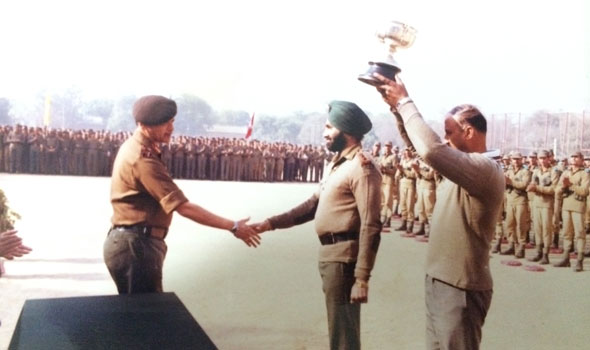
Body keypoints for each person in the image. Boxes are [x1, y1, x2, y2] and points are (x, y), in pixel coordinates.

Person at [374, 73, 504, 350]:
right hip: (444, 280)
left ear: (468, 132)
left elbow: (432, 151)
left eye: (449, 132)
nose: (445, 139)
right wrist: (398, 109)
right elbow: (421, 149)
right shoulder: (466, 166)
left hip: (461, 286)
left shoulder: (483, 169)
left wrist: (405, 101)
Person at [251, 100, 382, 350]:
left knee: (344, 337)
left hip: (344, 262)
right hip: (330, 256)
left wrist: (362, 278)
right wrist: (270, 223)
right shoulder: (337, 164)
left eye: (329, 127)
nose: (324, 133)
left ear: (347, 131)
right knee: (339, 331)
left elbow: (371, 225)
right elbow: (313, 205)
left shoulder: (362, 168)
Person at [104, 95, 260, 294]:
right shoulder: (142, 159)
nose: (171, 128)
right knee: (145, 319)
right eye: (164, 123)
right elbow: (183, 207)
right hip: (136, 246)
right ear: (143, 125)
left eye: (172, 121)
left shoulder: (138, 148)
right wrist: (233, 226)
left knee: (141, 318)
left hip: (136, 243)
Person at [553, 151, 590, 271]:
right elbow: (557, 190)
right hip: (566, 206)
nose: (574, 159)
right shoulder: (566, 173)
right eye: (572, 157)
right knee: (567, 233)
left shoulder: (585, 174)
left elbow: (584, 191)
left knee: (580, 234)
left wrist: (570, 185)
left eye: (576, 157)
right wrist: (563, 187)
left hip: (578, 207)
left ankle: (579, 260)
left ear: (581, 159)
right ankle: (566, 258)